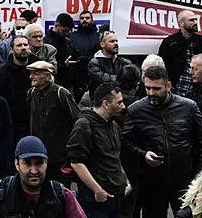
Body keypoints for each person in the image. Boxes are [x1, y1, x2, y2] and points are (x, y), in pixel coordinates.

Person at [123, 64, 202, 217]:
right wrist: (143, 154)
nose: (151, 93)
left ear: (169, 86)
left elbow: (200, 140)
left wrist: (198, 174)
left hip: (185, 181)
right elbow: (126, 141)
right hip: (152, 182)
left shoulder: (188, 108)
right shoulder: (136, 111)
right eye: (147, 88)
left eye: (156, 88)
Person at [0, 136, 87, 218]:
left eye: (39, 163)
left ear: (46, 163)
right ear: (16, 164)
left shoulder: (62, 196)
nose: (34, 170)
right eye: (27, 163)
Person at [66, 82, 130, 217]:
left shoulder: (113, 125)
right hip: (97, 202)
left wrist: (125, 181)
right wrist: (98, 191)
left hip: (116, 197)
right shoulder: (84, 126)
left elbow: (115, 156)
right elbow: (76, 162)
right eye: (119, 103)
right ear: (106, 104)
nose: (123, 106)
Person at [27, 60, 80, 184]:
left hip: (59, 156)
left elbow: (77, 120)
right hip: (39, 154)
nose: (31, 77)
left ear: (46, 76)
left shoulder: (61, 93)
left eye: (35, 73)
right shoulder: (32, 94)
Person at [0, 34, 39, 146]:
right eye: (19, 45)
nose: (23, 47)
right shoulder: (2, 71)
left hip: (35, 119)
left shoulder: (39, 68)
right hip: (12, 121)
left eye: (25, 45)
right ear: (11, 49)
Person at [159, 9, 202, 98]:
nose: (195, 22)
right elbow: (162, 67)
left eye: (196, 19)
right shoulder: (169, 43)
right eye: (191, 20)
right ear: (181, 23)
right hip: (176, 88)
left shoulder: (200, 41)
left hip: (198, 88)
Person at [87, 31, 132, 97]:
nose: (116, 43)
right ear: (102, 44)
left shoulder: (125, 62)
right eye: (112, 41)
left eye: (116, 41)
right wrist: (122, 79)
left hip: (123, 99)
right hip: (102, 100)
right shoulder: (94, 63)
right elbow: (103, 80)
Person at [44, 13, 80, 90]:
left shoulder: (67, 41)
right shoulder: (47, 42)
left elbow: (74, 54)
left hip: (68, 83)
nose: (66, 33)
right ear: (56, 26)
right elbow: (45, 64)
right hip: (54, 84)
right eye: (64, 31)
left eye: (68, 31)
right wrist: (63, 65)